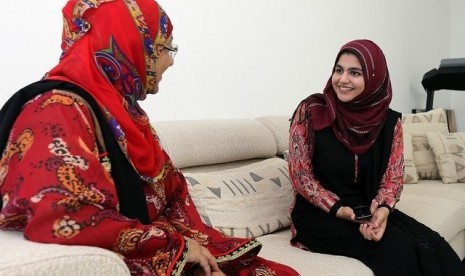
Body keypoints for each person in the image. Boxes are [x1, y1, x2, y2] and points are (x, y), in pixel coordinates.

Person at [0, 1, 299, 275]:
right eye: (166, 48)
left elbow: (172, 198)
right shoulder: (56, 111)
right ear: (133, 47)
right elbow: (64, 217)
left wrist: (200, 255)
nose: (171, 61)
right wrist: (176, 248)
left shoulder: (126, 116)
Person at [288, 39, 465, 276]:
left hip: (366, 209)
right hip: (320, 215)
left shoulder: (390, 122)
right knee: (400, 250)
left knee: (434, 246)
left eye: (355, 73)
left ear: (374, 78)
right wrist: (339, 209)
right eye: (338, 70)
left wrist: (381, 211)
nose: (342, 80)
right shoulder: (311, 112)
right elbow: (301, 176)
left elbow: (392, 179)